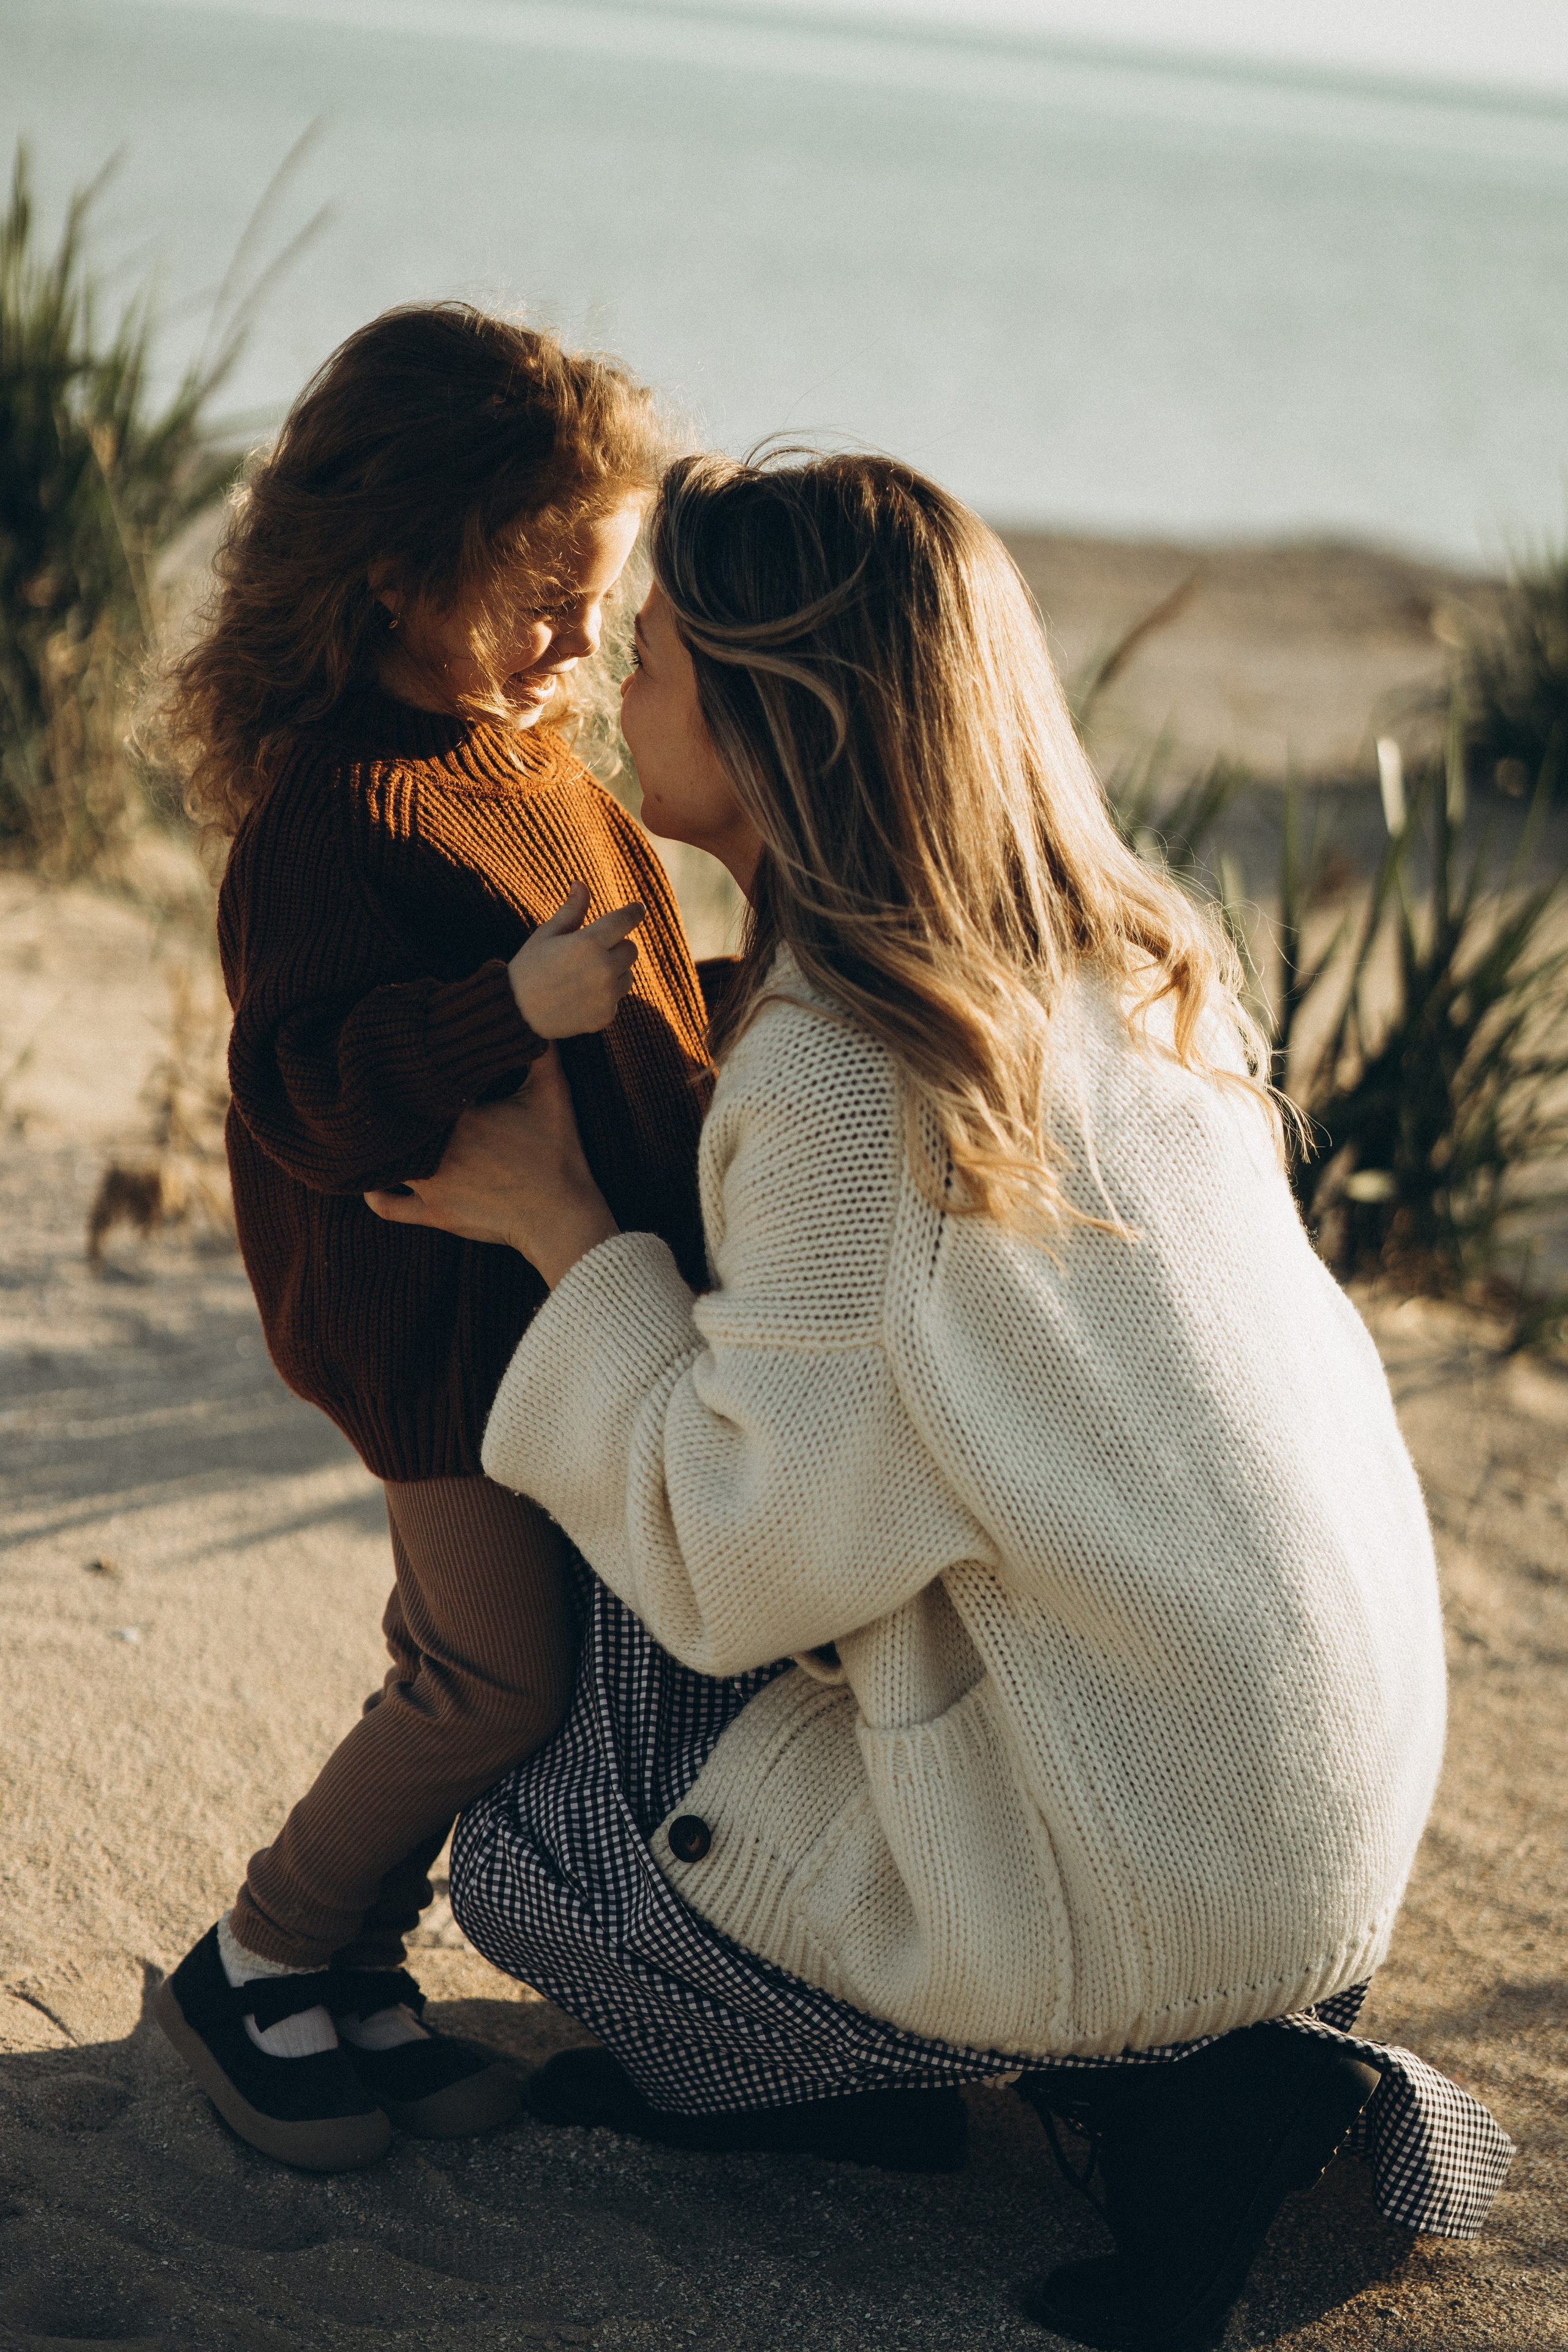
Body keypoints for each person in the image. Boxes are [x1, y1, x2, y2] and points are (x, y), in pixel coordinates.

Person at [367, 450, 1510, 2350]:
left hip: (1153, 1878)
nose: (616, 686)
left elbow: (732, 1570)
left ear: (770, 716)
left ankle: (1026, 2074)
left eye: (654, 654)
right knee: (701, 1496)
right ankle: (1153, 2058)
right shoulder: (1134, 971)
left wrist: (568, 1231)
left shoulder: (844, 1071)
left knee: (539, 1849)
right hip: (1310, 1832)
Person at [153, 304, 722, 2174]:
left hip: (546, 1319)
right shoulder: (338, 810)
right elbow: (305, 1086)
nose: (577, 644)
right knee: (496, 1682)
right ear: (395, 571)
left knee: (453, 1662)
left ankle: (357, 1971)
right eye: (540, 598)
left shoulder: (535, 764)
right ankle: (258, 1961)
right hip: (439, 1341)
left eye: (600, 602)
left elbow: (636, 1005)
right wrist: (505, 1012)